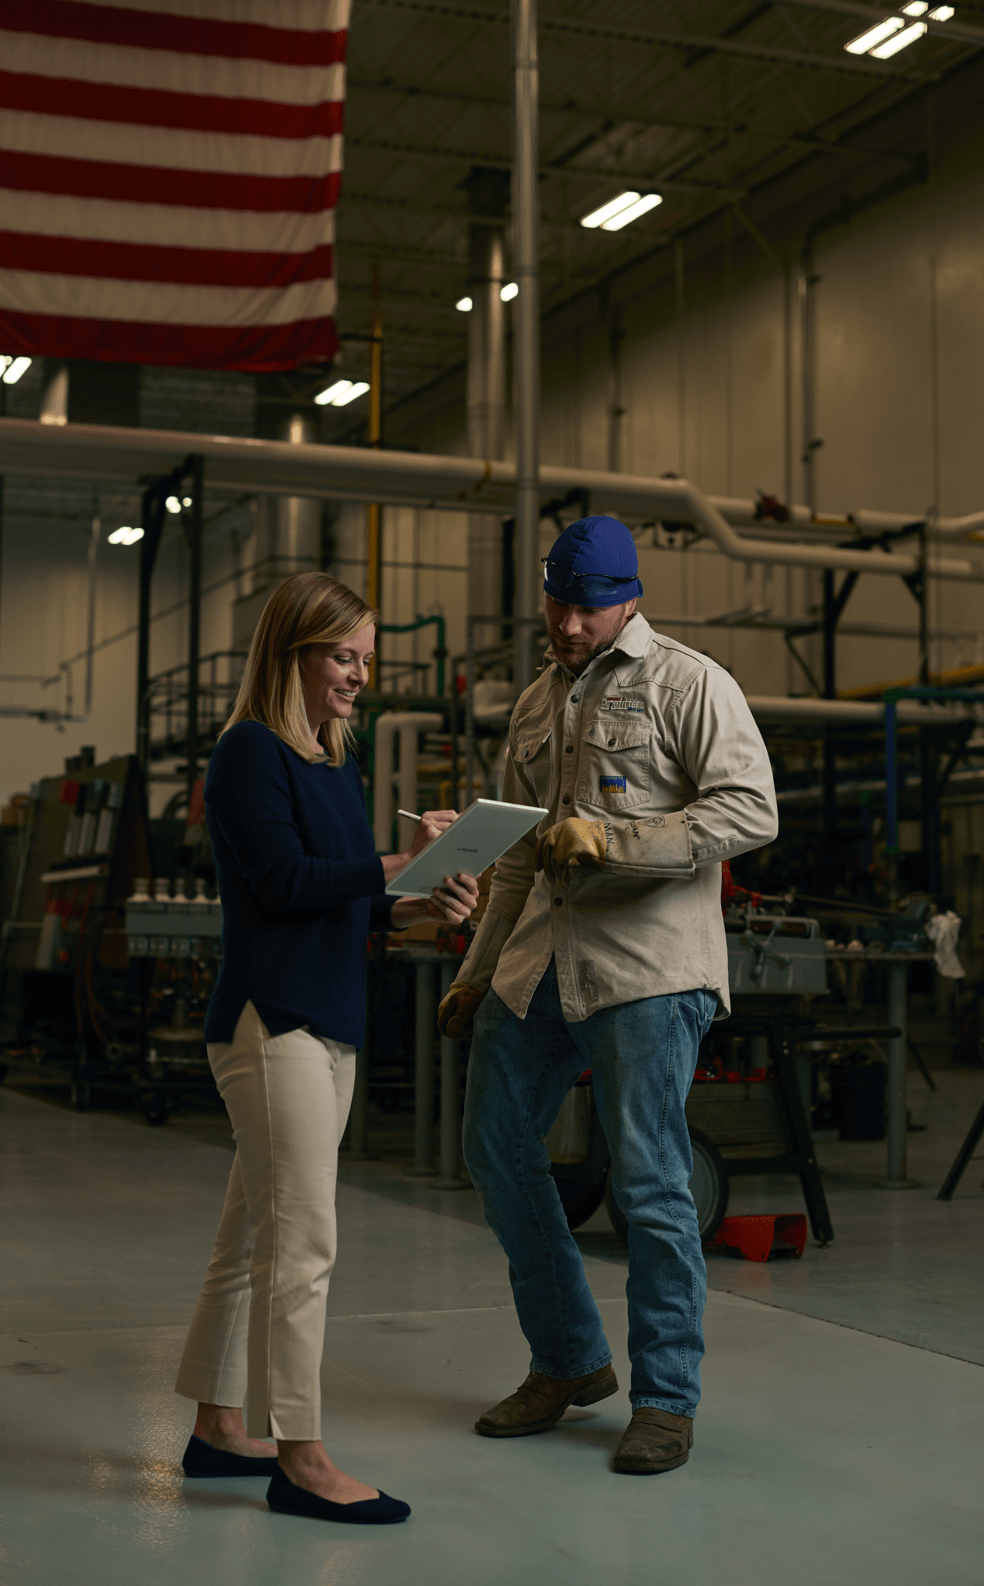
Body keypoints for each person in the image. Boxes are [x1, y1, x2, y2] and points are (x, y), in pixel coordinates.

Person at [439, 516, 778, 1475]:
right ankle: (569, 1362)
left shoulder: (689, 681)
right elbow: (513, 852)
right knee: (497, 1150)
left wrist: (618, 841)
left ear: (626, 596)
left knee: (651, 1185)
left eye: (587, 606)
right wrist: (475, 972)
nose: (569, 622)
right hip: (539, 961)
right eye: (557, 601)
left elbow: (752, 807)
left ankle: (666, 1400)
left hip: (648, 970)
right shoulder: (539, 699)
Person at [174, 572, 477, 1525]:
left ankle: (220, 1425)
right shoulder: (246, 754)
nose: (357, 676)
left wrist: (423, 897)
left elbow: (344, 896)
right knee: (304, 1245)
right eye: (342, 657)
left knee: (253, 1236)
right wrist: (399, 863)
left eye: (364, 661)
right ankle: (299, 1456)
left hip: (327, 1014)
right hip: (276, 1021)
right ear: (293, 653)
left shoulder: (331, 761)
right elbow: (282, 878)